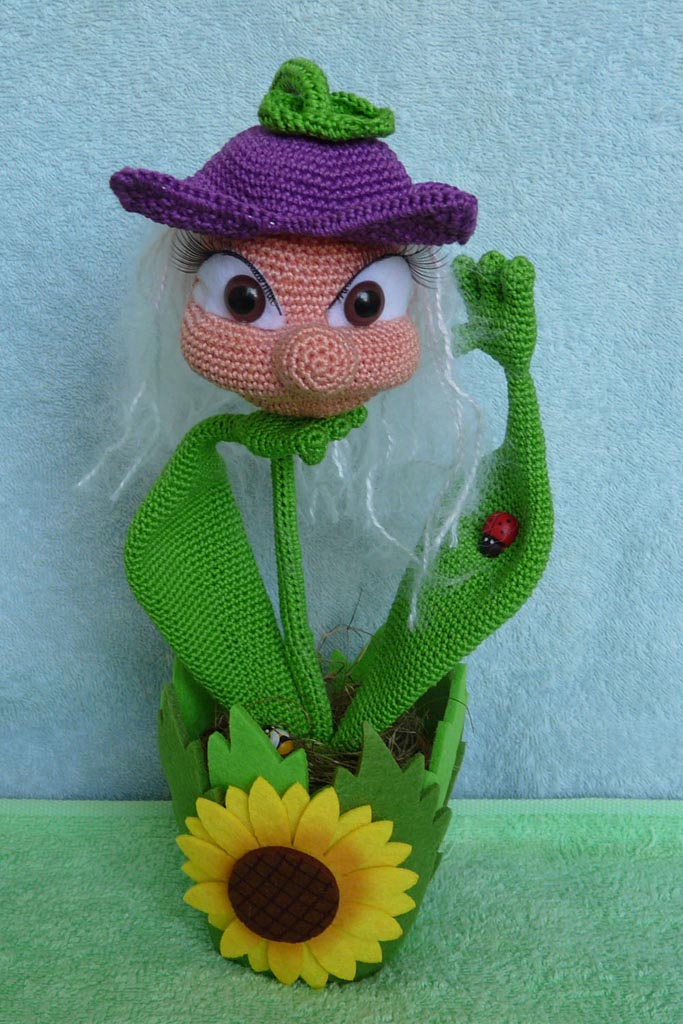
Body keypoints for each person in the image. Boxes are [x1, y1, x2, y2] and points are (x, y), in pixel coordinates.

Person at [107, 59, 553, 749]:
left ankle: (328, 744)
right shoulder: (201, 473)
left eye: (365, 303)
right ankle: (295, 733)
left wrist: (512, 366)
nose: (309, 359)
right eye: (245, 299)